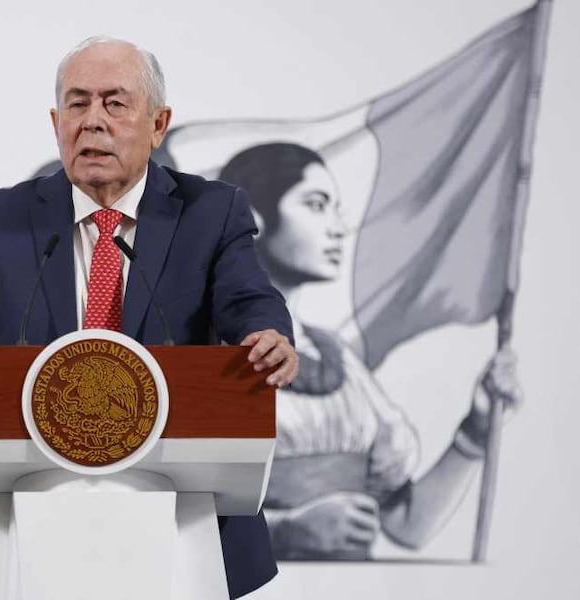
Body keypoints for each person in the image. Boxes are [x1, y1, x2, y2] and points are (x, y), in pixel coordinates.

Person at [0, 36, 299, 600]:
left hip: (179, 514)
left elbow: (250, 300)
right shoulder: (2, 220)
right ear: (56, 122)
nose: (93, 122)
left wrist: (268, 336)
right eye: (77, 104)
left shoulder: (211, 211)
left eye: (115, 103)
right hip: (34, 516)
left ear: (159, 123)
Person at [219, 142, 521, 559]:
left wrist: (476, 429)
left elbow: (406, 526)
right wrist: (283, 533)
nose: (339, 227)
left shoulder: (337, 359)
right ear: (251, 221)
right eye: (316, 204)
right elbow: (174, 517)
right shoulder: (203, 350)